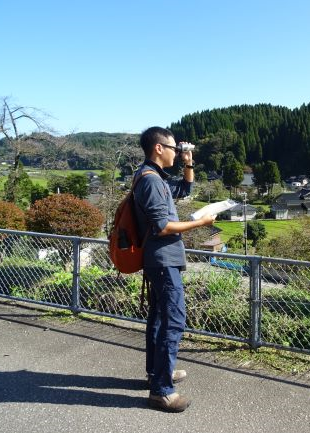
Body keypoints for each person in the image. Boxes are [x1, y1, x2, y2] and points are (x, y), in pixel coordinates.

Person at [134, 126, 215, 412]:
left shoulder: (153, 177)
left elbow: (185, 188)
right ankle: (161, 391)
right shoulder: (151, 182)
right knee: (173, 321)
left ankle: (157, 374)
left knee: (158, 318)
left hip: (160, 260)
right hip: (163, 260)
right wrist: (202, 223)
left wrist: (188, 162)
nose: (175, 152)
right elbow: (163, 226)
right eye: (173, 148)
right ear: (158, 148)